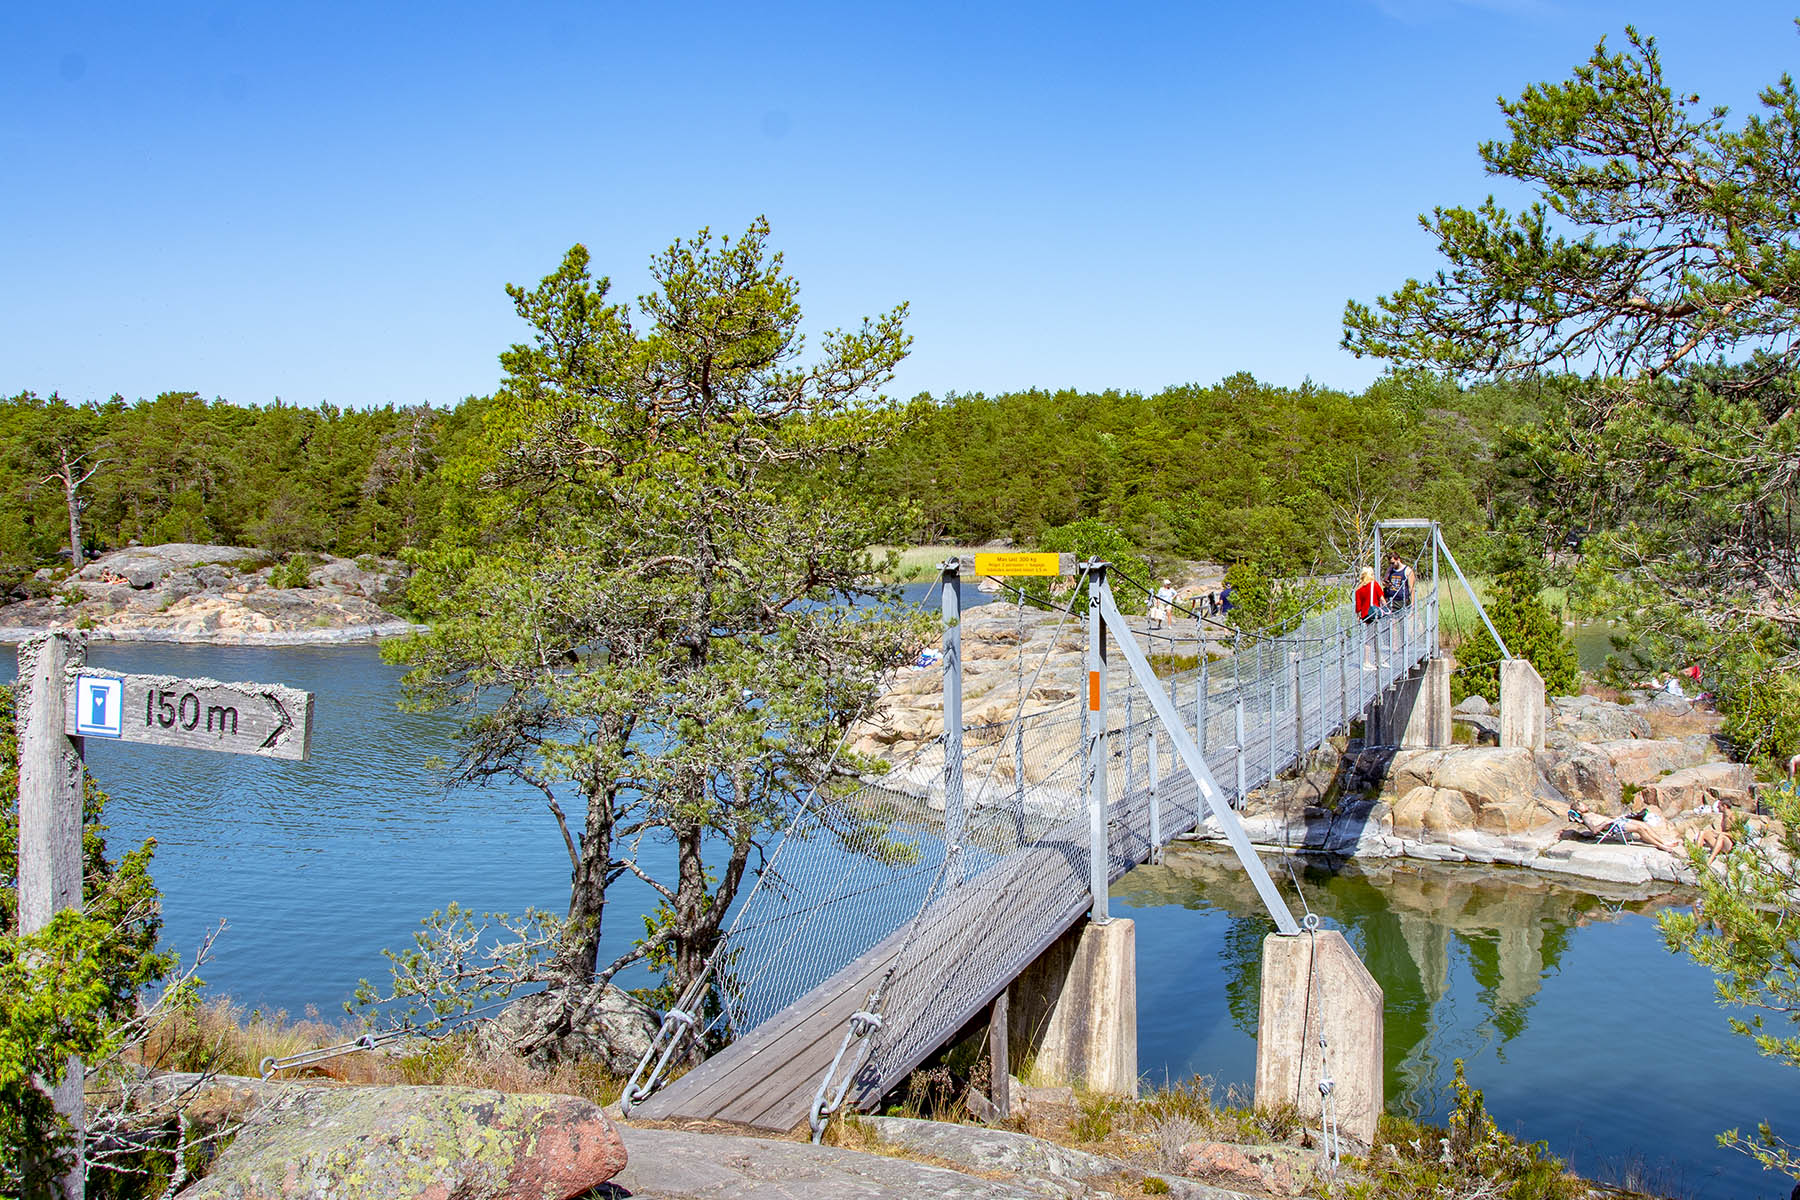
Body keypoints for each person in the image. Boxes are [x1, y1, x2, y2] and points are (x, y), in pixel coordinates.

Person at [1569, 801, 1682, 854]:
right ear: (1579, 810)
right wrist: (1608, 822)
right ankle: (1660, 845)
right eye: (1582, 805)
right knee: (1639, 829)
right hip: (1613, 827)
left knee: (1643, 824)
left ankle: (1664, 841)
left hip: (1615, 822)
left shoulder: (1590, 814)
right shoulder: (1586, 818)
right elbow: (1594, 830)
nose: (1585, 805)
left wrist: (1614, 817)